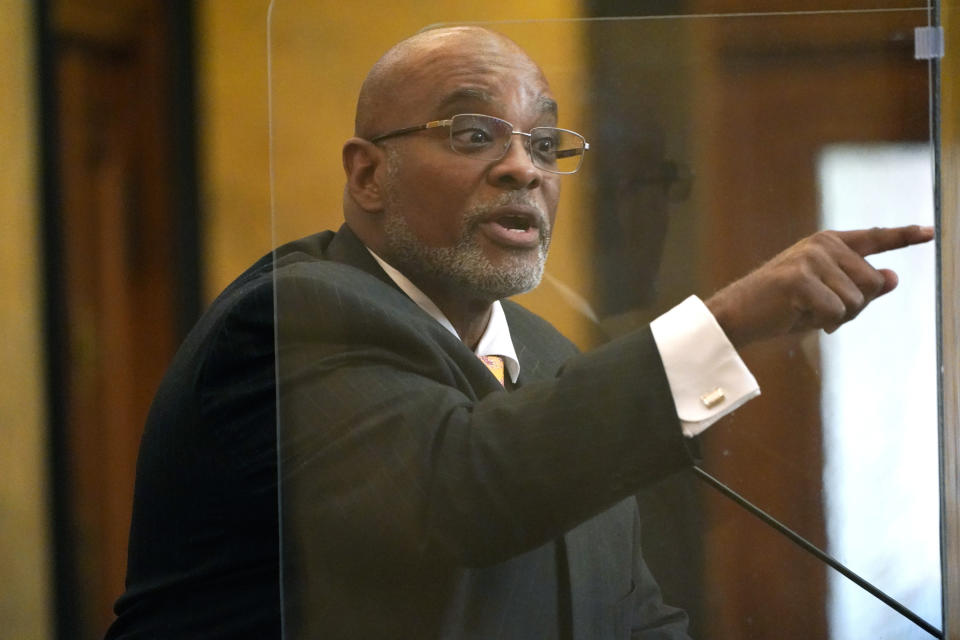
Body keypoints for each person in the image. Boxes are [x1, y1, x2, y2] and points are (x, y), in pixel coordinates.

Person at [105, 26, 933, 639]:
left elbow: (629, 616)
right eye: (473, 135)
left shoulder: (546, 361)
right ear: (367, 175)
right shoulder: (291, 321)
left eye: (544, 143)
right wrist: (729, 322)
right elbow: (469, 487)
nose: (523, 168)